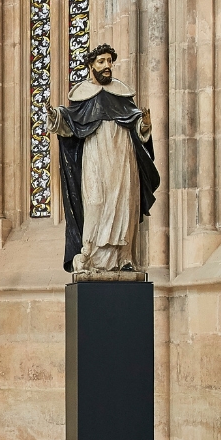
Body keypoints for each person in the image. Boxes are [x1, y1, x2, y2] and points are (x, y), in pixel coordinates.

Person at [54, 44, 160, 274]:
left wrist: (145, 124)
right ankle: (90, 256)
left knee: (123, 204)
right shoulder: (82, 95)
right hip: (95, 156)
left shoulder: (122, 94)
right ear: (91, 65)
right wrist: (57, 117)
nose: (107, 66)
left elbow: (136, 128)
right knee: (95, 202)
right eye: (101, 61)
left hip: (123, 157)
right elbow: (70, 125)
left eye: (109, 61)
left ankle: (124, 258)